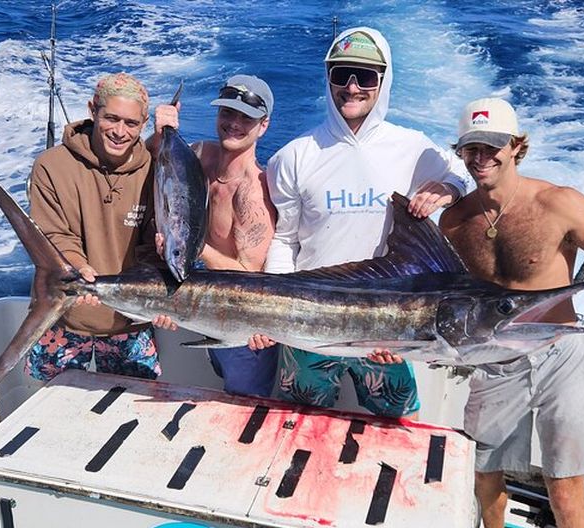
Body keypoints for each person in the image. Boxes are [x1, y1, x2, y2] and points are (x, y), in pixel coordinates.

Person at [438, 97, 584, 528]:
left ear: (516, 147)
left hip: (562, 355)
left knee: (565, 489)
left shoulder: (560, 203)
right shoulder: (454, 222)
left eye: (491, 147)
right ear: (460, 151)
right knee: (485, 476)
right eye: (470, 148)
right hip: (494, 362)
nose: (480, 158)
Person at [260, 27, 468, 418]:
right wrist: (273, 312)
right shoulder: (293, 156)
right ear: (329, 79)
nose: (352, 87)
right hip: (308, 325)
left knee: (399, 428)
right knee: (295, 426)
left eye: (366, 76)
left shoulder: (413, 147)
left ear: (383, 81)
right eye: (342, 74)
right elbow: (285, 241)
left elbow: (465, 175)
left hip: (388, 327)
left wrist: (448, 187)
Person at [27, 72, 164, 382]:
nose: (119, 131)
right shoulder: (50, 165)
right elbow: (54, 234)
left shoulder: (156, 172)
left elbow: (153, 249)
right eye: (111, 118)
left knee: (131, 408)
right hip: (62, 315)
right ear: (92, 110)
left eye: (131, 124)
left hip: (129, 322)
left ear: (143, 125)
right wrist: (79, 269)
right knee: (50, 409)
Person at [153, 74, 279, 397]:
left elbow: (251, 278)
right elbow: (156, 157)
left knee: (242, 409)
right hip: (201, 310)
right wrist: (159, 132)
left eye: (246, 118)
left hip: (241, 328)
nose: (234, 123)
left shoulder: (253, 193)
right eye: (228, 113)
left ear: (263, 126)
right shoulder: (198, 155)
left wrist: (190, 246)